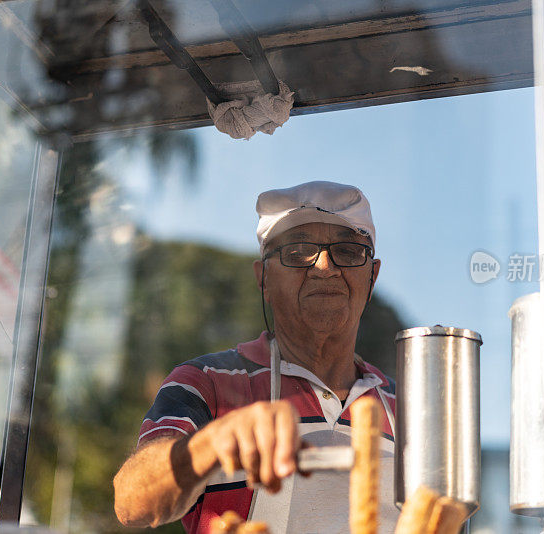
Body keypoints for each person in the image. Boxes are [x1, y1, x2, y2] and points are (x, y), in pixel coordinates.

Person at [113, 181, 398, 533]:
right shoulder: (206, 381)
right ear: (263, 278)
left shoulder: (407, 407)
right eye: (297, 252)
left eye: (349, 251)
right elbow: (132, 502)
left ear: (372, 277)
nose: (324, 266)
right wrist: (212, 443)